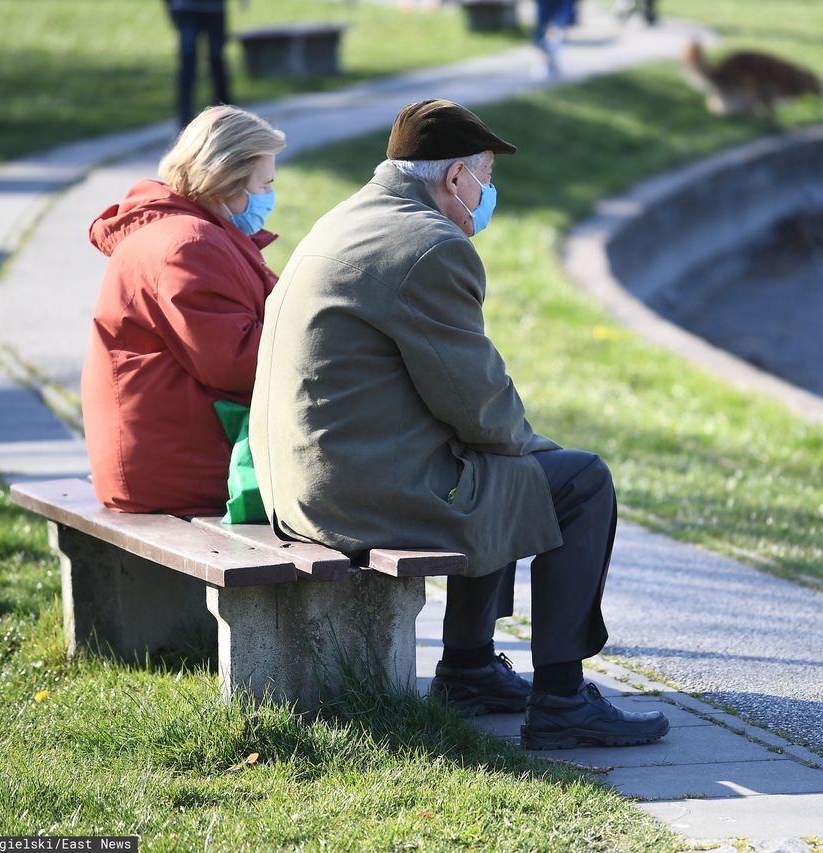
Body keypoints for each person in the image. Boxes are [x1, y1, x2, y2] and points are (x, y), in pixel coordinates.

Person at [249, 99, 669, 750]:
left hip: (300, 484)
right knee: (579, 480)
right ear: (454, 180)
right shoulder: (429, 245)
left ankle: (470, 670)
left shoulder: (349, 217)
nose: (489, 191)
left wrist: (520, 454)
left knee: (501, 469)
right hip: (351, 495)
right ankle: (561, 697)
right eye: (488, 175)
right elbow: (476, 402)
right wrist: (538, 452)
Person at [82, 105, 285, 516]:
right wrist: (324, 339)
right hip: (180, 466)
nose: (269, 197)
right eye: (264, 185)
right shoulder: (189, 245)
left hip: (162, 454)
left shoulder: (184, 232)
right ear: (226, 181)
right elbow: (235, 363)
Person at [166, 0, 233, 129]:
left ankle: (226, 117)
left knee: (217, 61)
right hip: (185, 8)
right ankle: (184, 121)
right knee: (188, 60)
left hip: (215, 9)